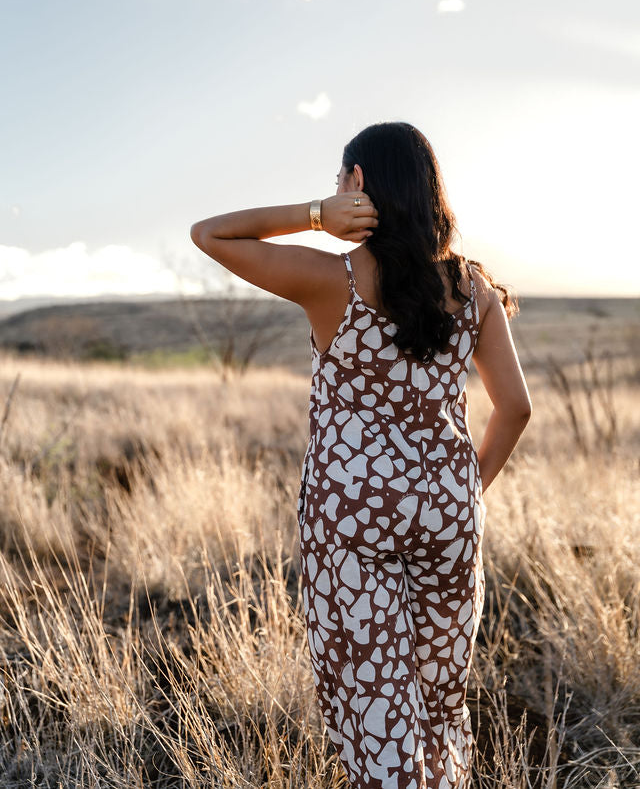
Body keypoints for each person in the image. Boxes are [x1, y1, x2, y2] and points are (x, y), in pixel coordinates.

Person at [190, 121, 531, 789]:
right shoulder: (474, 291)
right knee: (439, 708)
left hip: (353, 521)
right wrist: (463, 489)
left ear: (359, 183)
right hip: (450, 516)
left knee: (377, 711)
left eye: (338, 178)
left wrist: (317, 217)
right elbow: (515, 409)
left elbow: (210, 234)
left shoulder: (331, 281)